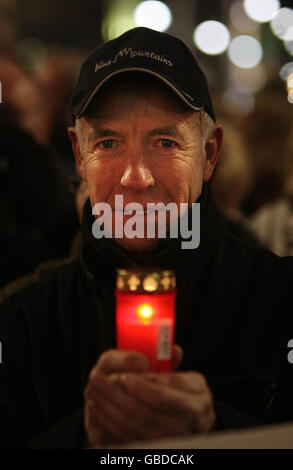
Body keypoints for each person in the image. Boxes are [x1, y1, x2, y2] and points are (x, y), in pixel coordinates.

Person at [0, 27, 293, 450]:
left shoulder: (281, 301)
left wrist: (215, 432)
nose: (135, 176)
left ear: (210, 154)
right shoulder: (22, 325)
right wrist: (87, 435)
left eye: (165, 141)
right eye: (108, 142)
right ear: (79, 156)